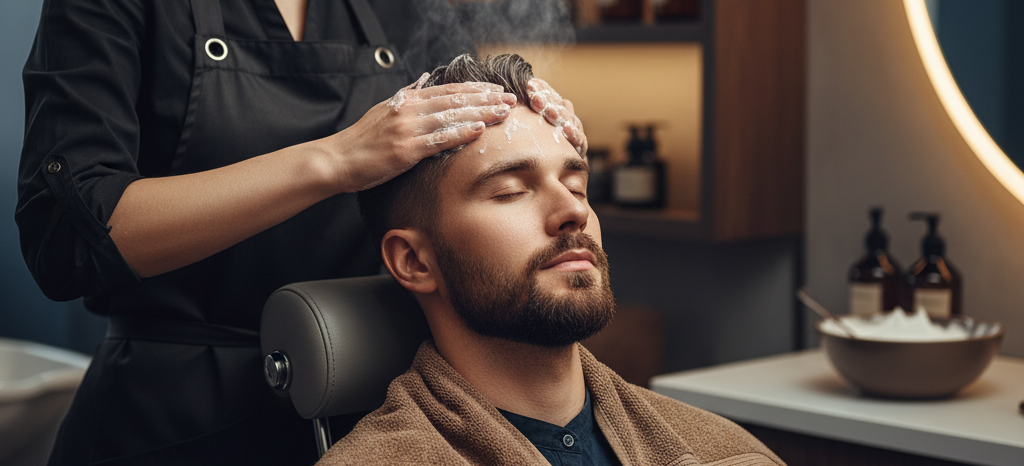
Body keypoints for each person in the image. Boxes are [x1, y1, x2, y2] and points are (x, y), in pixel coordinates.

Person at [16, 0, 586, 464]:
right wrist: (335, 160)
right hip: (172, 420)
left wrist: (528, 131)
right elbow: (67, 240)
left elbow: (449, 179)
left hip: (371, 403)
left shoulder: (403, 7)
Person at [327, 53, 785, 465]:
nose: (574, 211)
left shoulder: (730, 454)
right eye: (510, 192)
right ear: (413, 260)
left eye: (576, 186)